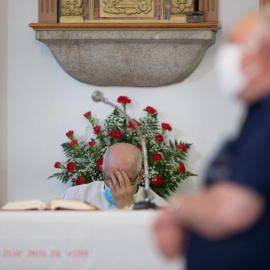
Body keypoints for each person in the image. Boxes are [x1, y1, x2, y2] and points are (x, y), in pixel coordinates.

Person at [153, 11, 270, 270]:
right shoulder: (256, 114)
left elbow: (232, 210)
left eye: (234, 44)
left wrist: (177, 209)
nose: (225, 57)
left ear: (264, 50)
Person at [63, 143, 167, 209]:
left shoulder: (159, 208)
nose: (116, 186)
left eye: (126, 180)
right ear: (102, 170)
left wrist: (127, 207)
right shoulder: (74, 196)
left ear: (140, 176)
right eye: (110, 178)